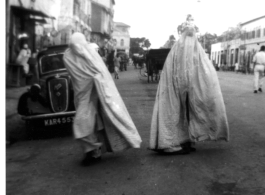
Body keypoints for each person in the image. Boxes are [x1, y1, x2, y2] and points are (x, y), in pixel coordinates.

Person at [149, 14, 229, 154]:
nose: (190, 39)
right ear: (183, 33)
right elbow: (174, 69)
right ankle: (172, 142)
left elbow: (204, 69)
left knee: (191, 111)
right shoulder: (177, 48)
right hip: (174, 87)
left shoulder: (197, 49)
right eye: (188, 34)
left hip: (190, 86)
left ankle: (187, 140)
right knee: (176, 112)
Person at [63, 33, 142, 166]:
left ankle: (94, 150)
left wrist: (97, 82)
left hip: (97, 92)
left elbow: (100, 72)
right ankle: (94, 151)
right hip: (82, 94)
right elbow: (77, 76)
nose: (77, 48)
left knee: (84, 123)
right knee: (90, 122)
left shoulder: (91, 54)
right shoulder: (68, 56)